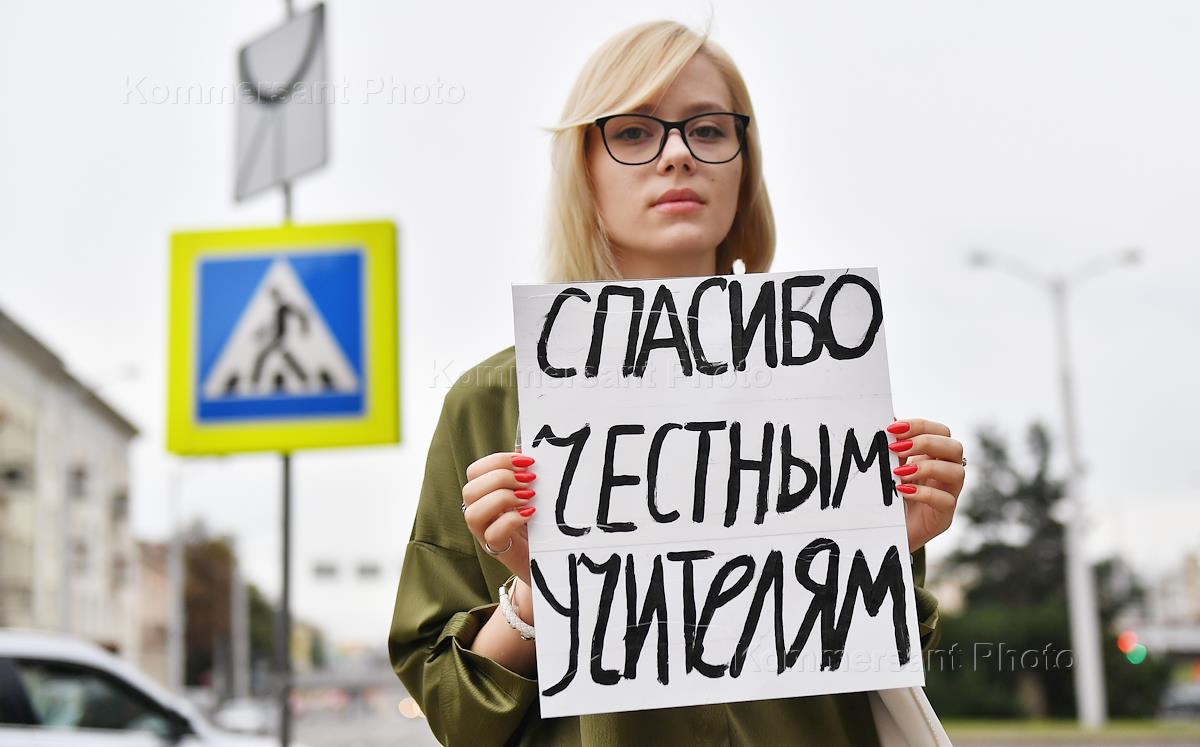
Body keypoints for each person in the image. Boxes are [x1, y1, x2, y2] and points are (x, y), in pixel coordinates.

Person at [388, 19, 965, 746]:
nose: (677, 155)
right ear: (583, 167)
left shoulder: (822, 378)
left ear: (743, 166)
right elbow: (454, 714)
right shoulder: (490, 400)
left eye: (708, 129)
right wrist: (542, 591)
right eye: (633, 132)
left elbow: (876, 666)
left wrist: (890, 550)